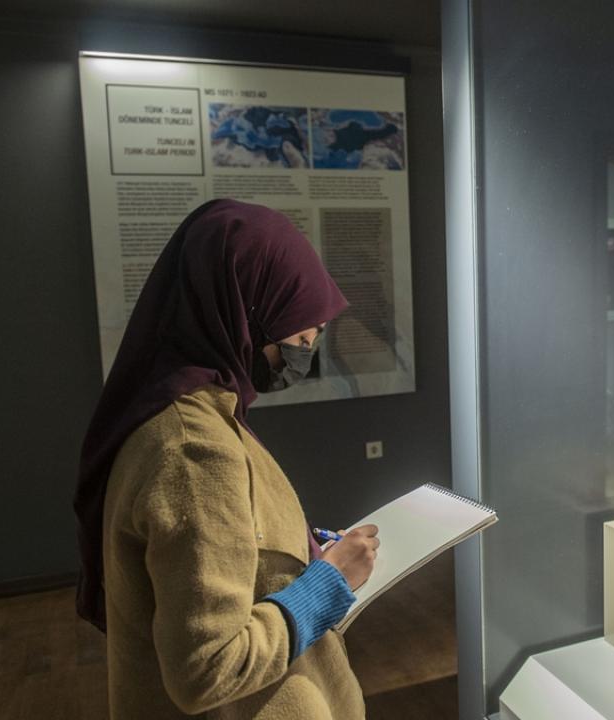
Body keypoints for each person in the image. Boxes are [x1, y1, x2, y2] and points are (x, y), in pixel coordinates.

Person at [73, 199, 378, 720]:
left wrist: (295, 552)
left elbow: (219, 546)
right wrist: (327, 585)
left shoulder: (182, 411)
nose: (305, 349)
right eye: (297, 333)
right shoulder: (193, 449)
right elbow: (208, 668)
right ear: (242, 311)